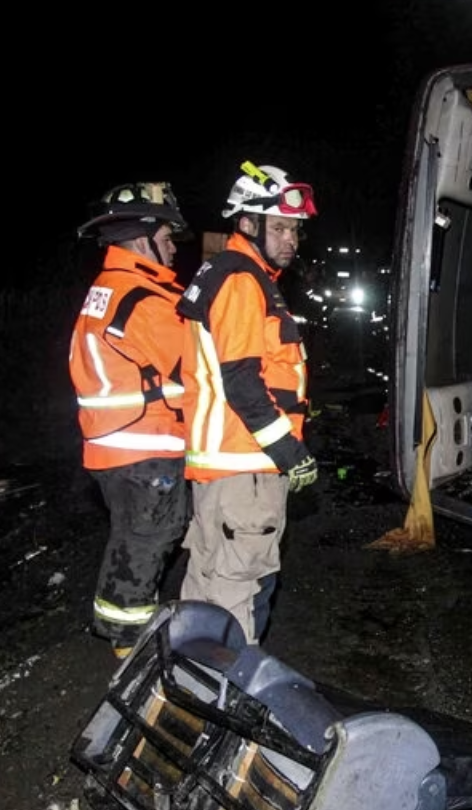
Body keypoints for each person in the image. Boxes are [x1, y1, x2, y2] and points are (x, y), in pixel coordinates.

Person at [177, 161, 319, 644]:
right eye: (279, 227)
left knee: (206, 589)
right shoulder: (241, 280)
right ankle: (225, 700)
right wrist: (290, 453)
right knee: (242, 594)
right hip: (246, 469)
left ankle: (188, 688)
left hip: (227, 470)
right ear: (247, 224)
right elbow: (242, 381)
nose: (291, 240)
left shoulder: (233, 273)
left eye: (295, 230)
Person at [68, 182, 191, 658]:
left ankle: (126, 632)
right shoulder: (145, 300)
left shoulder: (108, 289)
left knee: (136, 540)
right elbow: (192, 371)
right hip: (144, 445)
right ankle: (129, 649)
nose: (172, 247)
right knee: (145, 543)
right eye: (167, 237)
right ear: (142, 238)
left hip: (113, 445)